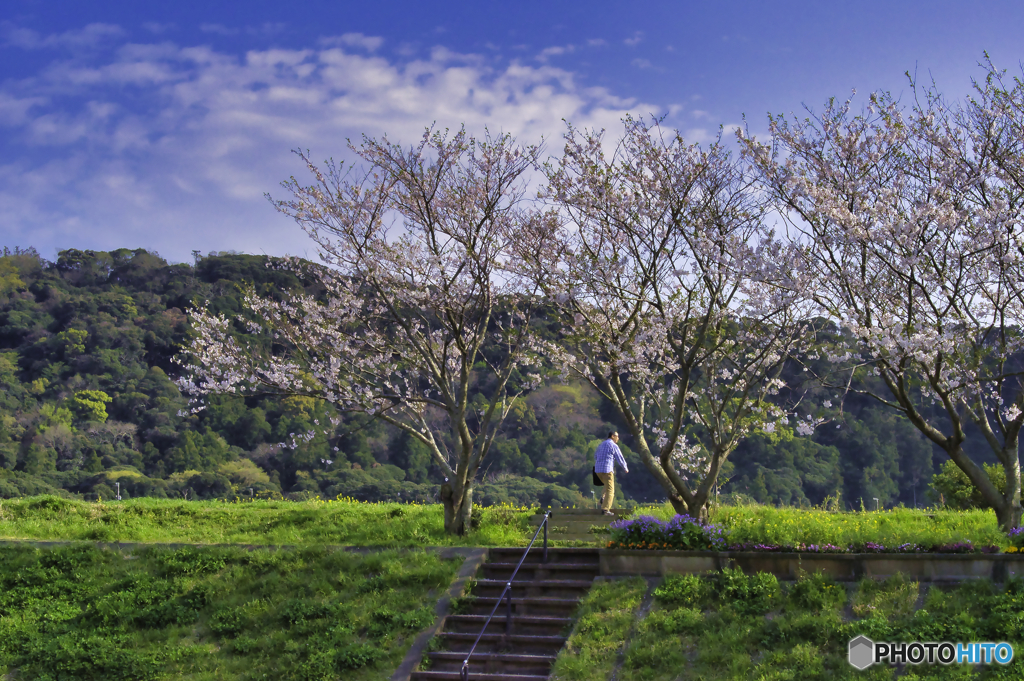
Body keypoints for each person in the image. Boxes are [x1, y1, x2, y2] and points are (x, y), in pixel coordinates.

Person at [594, 431, 628, 515]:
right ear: (612, 436)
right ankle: (605, 509)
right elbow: (620, 458)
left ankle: (603, 497)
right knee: (610, 490)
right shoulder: (613, 445)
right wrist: (625, 468)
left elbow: (595, 456)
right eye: (617, 436)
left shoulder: (601, 445)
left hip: (598, 470)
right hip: (607, 470)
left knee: (607, 485)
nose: (618, 438)